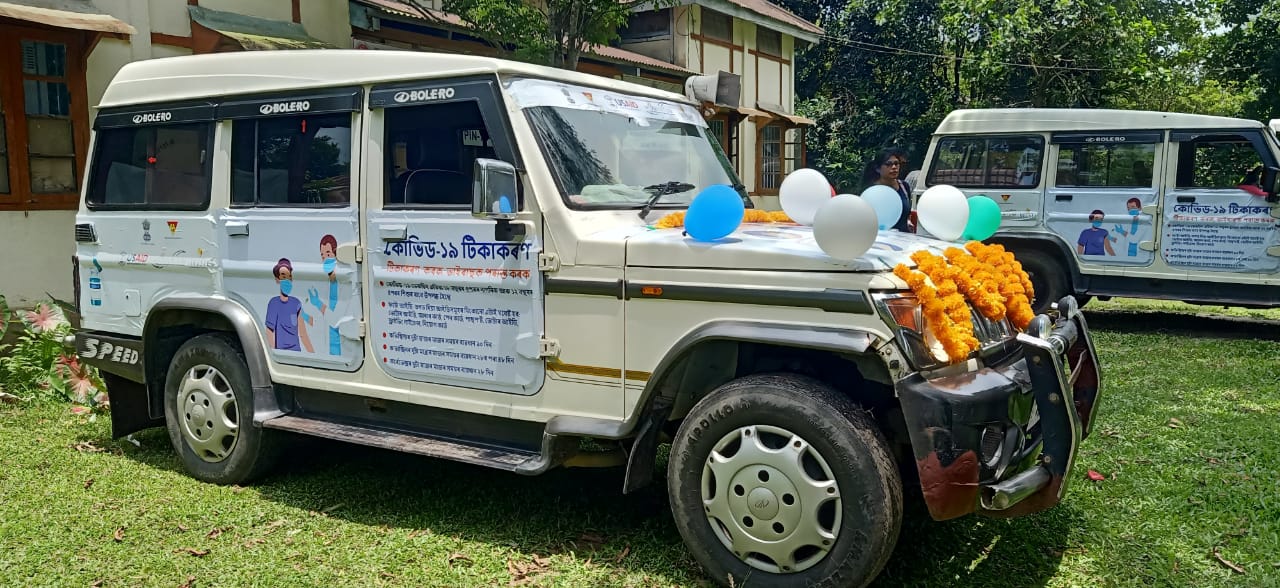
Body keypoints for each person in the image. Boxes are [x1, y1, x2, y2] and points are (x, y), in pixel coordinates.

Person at [266, 258, 314, 353]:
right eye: (283, 276)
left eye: (289, 276)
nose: (287, 280)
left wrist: (313, 355)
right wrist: (273, 354)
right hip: (282, 354)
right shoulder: (274, 303)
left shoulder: (296, 303)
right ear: (277, 279)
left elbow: (303, 333)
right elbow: (269, 332)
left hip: (296, 353)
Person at [862, 149, 912, 232]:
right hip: (880, 241)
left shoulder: (904, 186)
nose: (894, 167)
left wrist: (908, 221)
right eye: (888, 164)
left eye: (896, 163)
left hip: (904, 241)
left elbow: (906, 213)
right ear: (878, 169)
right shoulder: (871, 192)